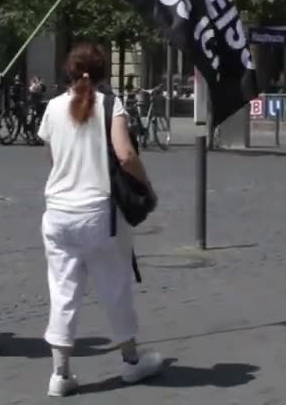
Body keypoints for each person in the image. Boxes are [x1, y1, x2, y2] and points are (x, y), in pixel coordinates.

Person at [36, 43, 165, 396]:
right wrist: (146, 184)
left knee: (62, 291)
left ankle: (59, 374)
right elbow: (125, 155)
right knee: (115, 286)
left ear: (69, 73)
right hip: (99, 214)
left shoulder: (52, 108)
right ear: (103, 73)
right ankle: (131, 363)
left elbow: (52, 158)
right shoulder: (111, 105)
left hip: (58, 213)